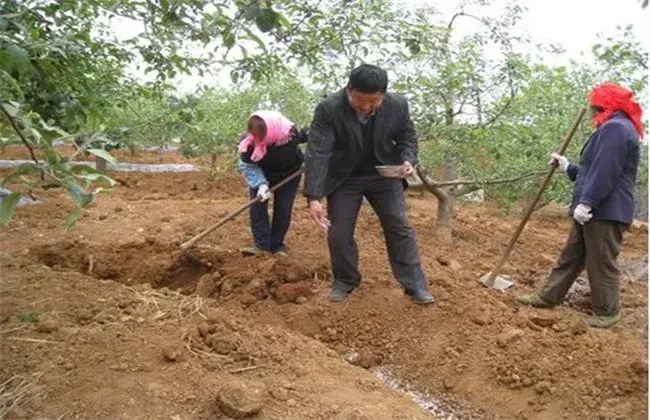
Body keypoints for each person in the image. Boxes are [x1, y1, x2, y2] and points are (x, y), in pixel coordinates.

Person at [303, 63, 435, 305]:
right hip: (345, 177)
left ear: (383, 95)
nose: (366, 107)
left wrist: (408, 159)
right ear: (348, 90)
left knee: (399, 226)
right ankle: (345, 280)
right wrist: (314, 196)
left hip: (384, 174)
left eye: (373, 102)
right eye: (359, 101)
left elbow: (407, 137)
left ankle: (415, 285)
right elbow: (318, 152)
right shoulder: (329, 109)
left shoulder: (398, 105)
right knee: (339, 233)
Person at [516, 82, 644, 329]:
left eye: (595, 106)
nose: (592, 112)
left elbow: (606, 172)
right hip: (594, 210)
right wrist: (568, 166)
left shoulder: (617, 128)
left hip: (604, 211)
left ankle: (608, 312)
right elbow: (592, 170)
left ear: (605, 105)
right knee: (572, 256)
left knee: (601, 261)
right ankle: (549, 296)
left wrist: (587, 203)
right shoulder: (612, 127)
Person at [237, 110, 308, 256]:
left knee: (283, 209)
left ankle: (277, 245)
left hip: (290, 174)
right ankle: (261, 246)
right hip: (263, 174)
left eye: (261, 136)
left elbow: (310, 136)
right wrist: (261, 184)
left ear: (270, 130)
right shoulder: (249, 143)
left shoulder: (290, 133)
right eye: (254, 135)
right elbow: (248, 165)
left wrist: (312, 158)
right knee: (258, 207)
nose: (258, 139)